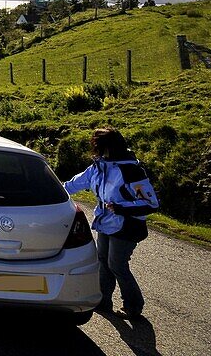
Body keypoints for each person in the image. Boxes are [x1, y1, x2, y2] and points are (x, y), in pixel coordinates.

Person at [63, 127, 159, 319]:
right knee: (103, 262)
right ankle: (102, 301)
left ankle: (133, 306)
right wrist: (51, 192)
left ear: (108, 147)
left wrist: (122, 208)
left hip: (127, 226)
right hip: (106, 223)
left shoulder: (131, 171)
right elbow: (74, 184)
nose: (95, 150)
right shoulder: (100, 166)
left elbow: (151, 203)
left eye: (98, 146)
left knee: (117, 265)